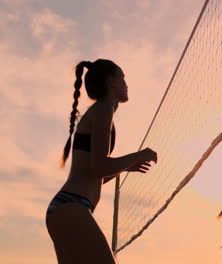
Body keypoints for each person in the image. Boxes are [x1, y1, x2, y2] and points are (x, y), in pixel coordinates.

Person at [45, 59, 157, 264]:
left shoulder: (99, 111)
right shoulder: (104, 109)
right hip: (71, 206)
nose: (126, 83)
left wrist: (125, 167)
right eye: (122, 77)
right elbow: (99, 168)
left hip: (63, 209)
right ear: (111, 82)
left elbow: (92, 174)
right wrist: (138, 155)